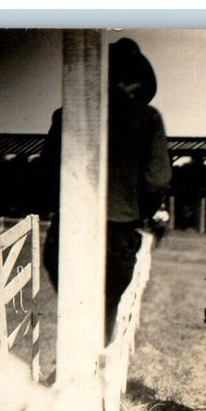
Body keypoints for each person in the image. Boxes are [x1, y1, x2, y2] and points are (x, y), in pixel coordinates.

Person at [41, 36, 172, 342]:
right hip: (119, 234)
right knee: (103, 316)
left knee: (75, 313)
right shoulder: (148, 118)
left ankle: (74, 374)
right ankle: (91, 377)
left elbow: (45, 173)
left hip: (69, 229)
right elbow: (157, 181)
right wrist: (138, 211)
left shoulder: (66, 114)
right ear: (136, 83)